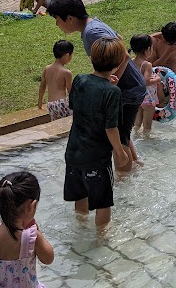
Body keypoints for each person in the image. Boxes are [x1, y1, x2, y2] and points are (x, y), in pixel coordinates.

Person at [47, 0, 145, 170]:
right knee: (121, 132)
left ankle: (125, 182)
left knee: (117, 140)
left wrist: (108, 83)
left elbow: (123, 54)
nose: (56, 25)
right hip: (131, 85)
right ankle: (136, 163)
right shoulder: (93, 26)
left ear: (69, 18)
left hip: (127, 89)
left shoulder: (92, 33)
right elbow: (120, 39)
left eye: (57, 20)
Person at [63, 37, 130, 225]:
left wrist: (106, 86)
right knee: (103, 203)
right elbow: (111, 128)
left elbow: (75, 105)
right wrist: (120, 152)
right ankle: (101, 241)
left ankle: (81, 228)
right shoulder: (113, 92)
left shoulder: (79, 80)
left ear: (92, 58)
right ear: (117, 65)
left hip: (74, 153)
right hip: (97, 159)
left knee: (81, 196)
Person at [130, 34, 161, 133]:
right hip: (148, 98)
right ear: (148, 49)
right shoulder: (147, 65)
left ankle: (135, 137)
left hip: (137, 97)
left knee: (137, 124)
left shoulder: (131, 62)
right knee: (147, 125)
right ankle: (147, 140)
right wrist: (157, 79)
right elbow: (146, 81)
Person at [38, 40, 74, 121]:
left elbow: (42, 86)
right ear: (67, 55)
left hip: (50, 104)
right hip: (62, 103)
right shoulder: (66, 72)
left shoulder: (46, 69)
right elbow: (71, 91)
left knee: (56, 125)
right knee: (70, 122)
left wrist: (40, 101)